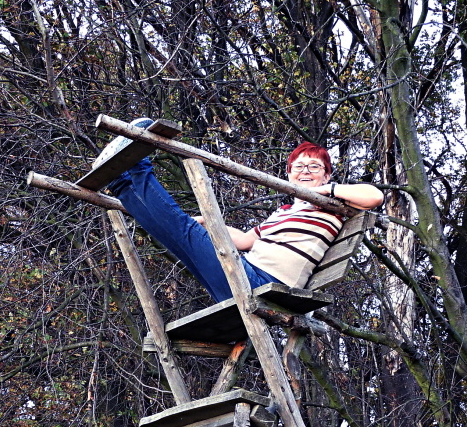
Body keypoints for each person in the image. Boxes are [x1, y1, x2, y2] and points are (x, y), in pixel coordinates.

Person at [99, 119, 384, 303]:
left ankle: (136, 163)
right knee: (175, 234)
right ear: (289, 174)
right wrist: (208, 224)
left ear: (326, 175)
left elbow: (375, 196)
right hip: (246, 277)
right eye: (299, 166)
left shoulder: (334, 206)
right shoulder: (283, 213)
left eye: (314, 167)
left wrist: (328, 191)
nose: (306, 171)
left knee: (180, 228)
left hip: (264, 285)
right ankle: (120, 181)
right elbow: (247, 241)